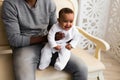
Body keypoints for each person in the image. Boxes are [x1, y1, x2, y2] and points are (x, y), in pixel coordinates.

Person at [2, 0, 88, 80]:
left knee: (82, 68)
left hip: (49, 44)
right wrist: (47, 38)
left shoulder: (49, 3)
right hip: (24, 48)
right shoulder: (10, 4)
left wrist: (65, 37)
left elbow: (55, 28)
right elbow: (14, 40)